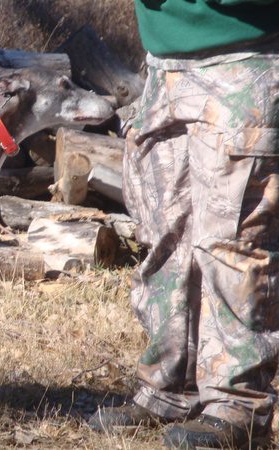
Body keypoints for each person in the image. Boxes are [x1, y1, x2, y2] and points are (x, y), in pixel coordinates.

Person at [88, 1, 279, 448]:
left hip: (246, 56)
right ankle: (170, 387)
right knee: (166, 234)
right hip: (163, 64)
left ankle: (239, 404)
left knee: (234, 241)